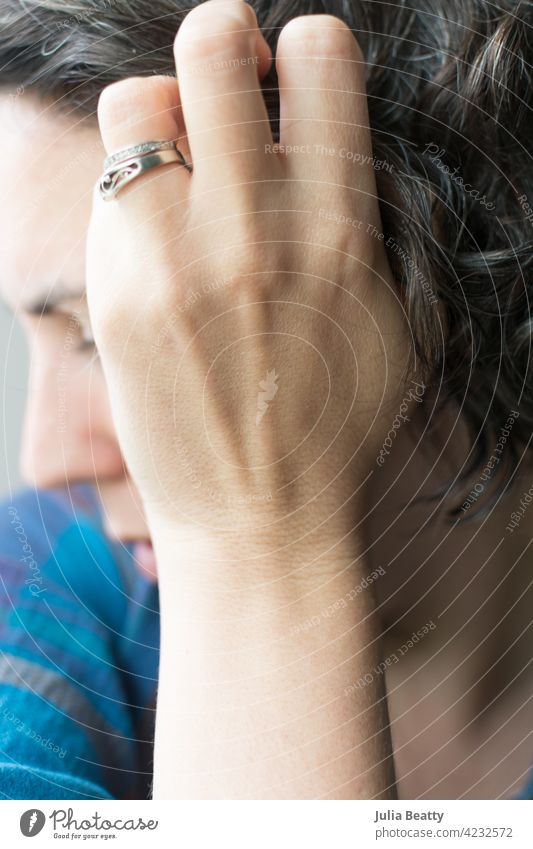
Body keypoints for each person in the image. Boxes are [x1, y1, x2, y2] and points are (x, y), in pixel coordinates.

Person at [0, 0, 532, 800]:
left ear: (435, 299)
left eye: (106, 335)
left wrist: (255, 533)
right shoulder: (26, 599)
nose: (43, 460)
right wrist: (250, 547)